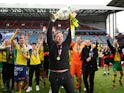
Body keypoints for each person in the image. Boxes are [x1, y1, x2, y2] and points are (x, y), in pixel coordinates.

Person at [47, 20, 75, 93]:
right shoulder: (52, 45)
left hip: (66, 75)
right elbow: (48, 33)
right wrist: (52, 20)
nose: (60, 38)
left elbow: (71, 32)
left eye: (61, 36)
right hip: (54, 76)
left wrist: (71, 19)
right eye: (58, 36)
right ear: (54, 38)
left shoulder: (66, 44)